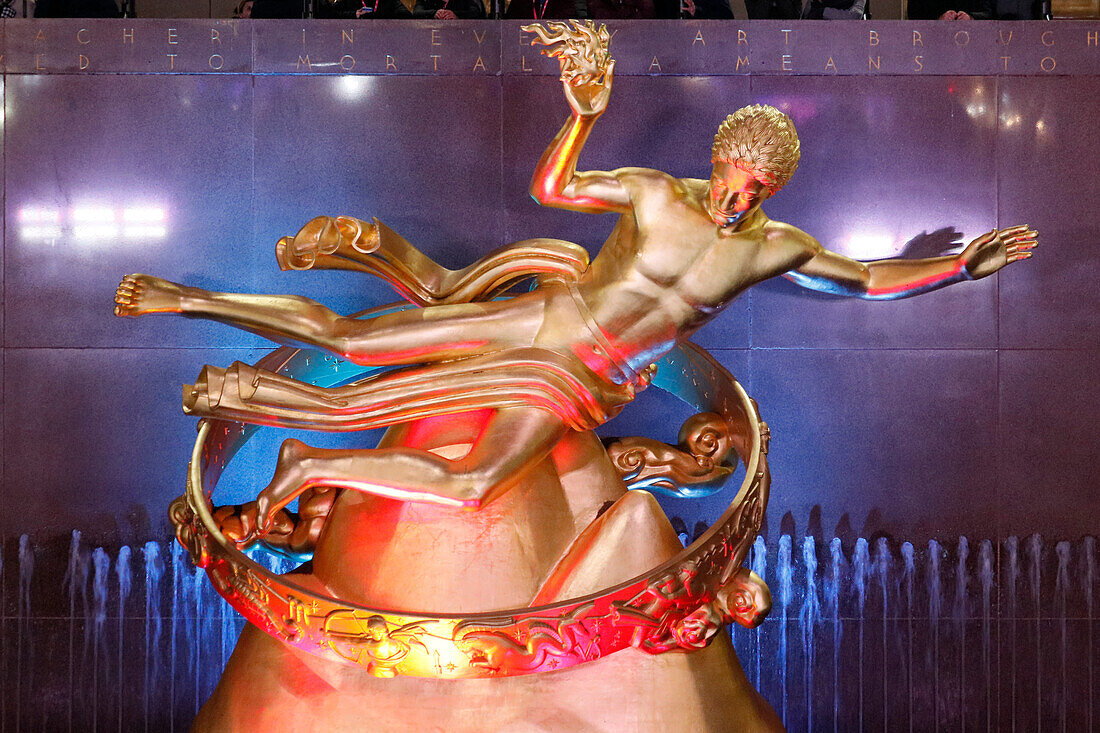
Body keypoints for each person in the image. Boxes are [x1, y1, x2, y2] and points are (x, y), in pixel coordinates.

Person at [114, 21, 1035, 530]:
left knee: (477, 486)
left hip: (584, 383)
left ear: (771, 191)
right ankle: (185, 297)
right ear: (713, 164)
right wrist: (583, 112)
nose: (730, 198)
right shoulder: (656, 194)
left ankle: (314, 459)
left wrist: (957, 267)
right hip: (548, 320)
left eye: (751, 189)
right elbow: (553, 185)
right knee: (354, 339)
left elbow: (866, 277)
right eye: (727, 178)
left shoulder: (775, 246)